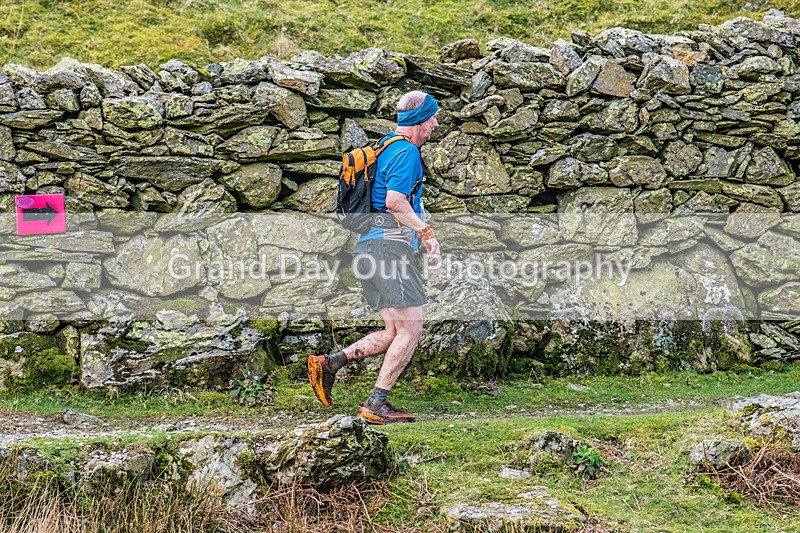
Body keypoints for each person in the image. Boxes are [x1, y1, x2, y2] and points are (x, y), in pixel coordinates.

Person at [307, 90, 441, 424]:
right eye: (433, 117)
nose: (436, 124)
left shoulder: (383, 147)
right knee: (411, 330)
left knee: (394, 330)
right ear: (418, 121)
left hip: (367, 250)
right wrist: (426, 232)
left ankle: (331, 362)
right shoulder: (407, 151)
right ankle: (375, 404)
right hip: (390, 250)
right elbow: (395, 201)